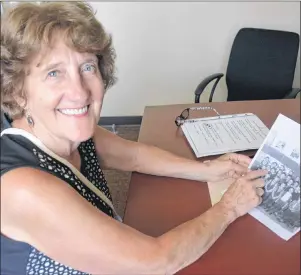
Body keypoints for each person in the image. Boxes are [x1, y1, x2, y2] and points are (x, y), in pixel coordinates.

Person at [0, 2, 266, 275]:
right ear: (18, 91)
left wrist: (206, 170)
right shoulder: (24, 189)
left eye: (87, 67)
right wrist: (229, 207)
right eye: (54, 73)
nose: (79, 92)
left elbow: (134, 156)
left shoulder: (70, 134)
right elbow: (156, 262)